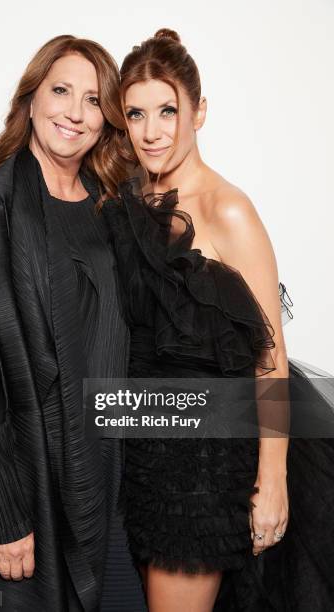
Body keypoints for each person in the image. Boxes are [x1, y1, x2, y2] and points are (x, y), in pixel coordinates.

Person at [102, 28, 334, 611]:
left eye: (168, 110)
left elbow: (269, 357)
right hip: (139, 449)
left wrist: (273, 481)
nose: (152, 131)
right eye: (136, 113)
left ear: (199, 112)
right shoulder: (125, 200)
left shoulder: (229, 209)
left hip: (203, 464)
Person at [0, 35, 146, 612]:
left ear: (108, 120)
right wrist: (3, 508)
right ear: (30, 102)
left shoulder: (112, 207)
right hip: (27, 489)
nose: (75, 111)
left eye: (94, 100)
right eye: (61, 91)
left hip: (111, 478)